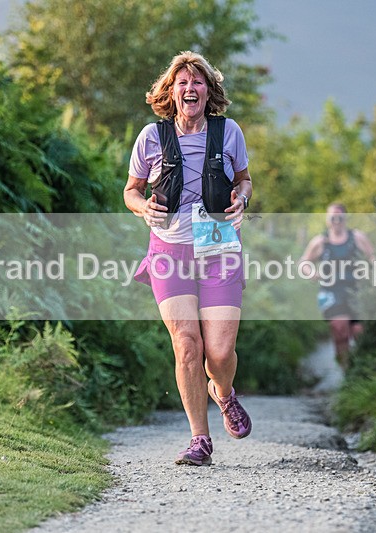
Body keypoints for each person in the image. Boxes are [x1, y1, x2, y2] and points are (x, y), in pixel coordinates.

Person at [124, 51, 253, 466]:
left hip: (217, 243)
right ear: (171, 92)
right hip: (169, 248)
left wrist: (243, 200)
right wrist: (143, 207)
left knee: (218, 353)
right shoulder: (150, 137)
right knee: (186, 345)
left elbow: (244, 180)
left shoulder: (228, 132)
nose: (190, 88)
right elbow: (131, 190)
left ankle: (225, 393)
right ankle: (200, 439)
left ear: (208, 90)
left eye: (197, 81)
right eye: (182, 82)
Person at [300, 204, 374, 371]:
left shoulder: (357, 238)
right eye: (332, 218)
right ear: (327, 220)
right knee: (340, 329)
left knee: (359, 332)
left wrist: (373, 273)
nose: (336, 221)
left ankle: (362, 370)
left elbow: (373, 258)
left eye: (340, 217)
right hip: (331, 291)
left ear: (345, 219)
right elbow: (304, 262)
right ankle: (346, 372)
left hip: (356, 290)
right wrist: (312, 273)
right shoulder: (321, 241)